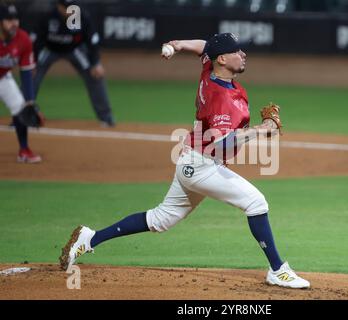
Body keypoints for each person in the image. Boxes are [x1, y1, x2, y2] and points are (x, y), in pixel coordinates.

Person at [59, 33, 310, 289]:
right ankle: (278, 270)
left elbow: (205, 46)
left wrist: (177, 45)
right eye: (237, 51)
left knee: (160, 219)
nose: (243, 54)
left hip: (194, 161)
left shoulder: (211, 69)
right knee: (256, 202)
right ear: (223, 59)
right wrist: (262, 129)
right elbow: (222, 143)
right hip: (202, 166)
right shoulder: (220, 98)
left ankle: (90, 238)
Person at [33, 0, 115, 127]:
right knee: (31, 76)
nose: (69, 10)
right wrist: (32, 63)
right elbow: (37, 42)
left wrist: (96, 63)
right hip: (50, 49)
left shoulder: (81, 16)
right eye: (65, 7)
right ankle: (21, 116)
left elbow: (92, 40)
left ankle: (106, 118)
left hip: (74, 49)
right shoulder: (48, 17)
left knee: (95, 75)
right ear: (58, 6)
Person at [0, 3, 42, 163]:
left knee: (20, 107)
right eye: (8, 20)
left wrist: (30, 101)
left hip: (3, 78)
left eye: (15, 19)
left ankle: (24, 150)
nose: (14, 23)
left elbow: (26, 72)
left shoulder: (23, 39)